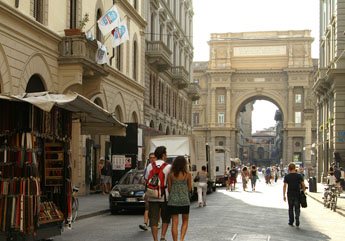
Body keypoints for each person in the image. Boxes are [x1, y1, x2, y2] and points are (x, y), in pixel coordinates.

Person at [144, 146, 172, 241]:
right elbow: (170, 182)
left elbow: (145, 180)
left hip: (152, 196)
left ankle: (155, 239)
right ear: (164, 155)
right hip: (165, 196)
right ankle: (163, 237)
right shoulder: (168, 167)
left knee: (153, 219)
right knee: (166, 218)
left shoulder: (150, 166)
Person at [167, 156, 192, 241]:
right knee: (185, 221)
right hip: (184, 200)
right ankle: (181, 239)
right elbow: (189, 188)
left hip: (173, 200)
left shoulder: (170, 174)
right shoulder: (188, 174)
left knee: (174, 222)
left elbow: (169, 188)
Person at [283, 162, 306, 227]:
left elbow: (284, 186)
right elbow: (303, 185)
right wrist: (303, 191)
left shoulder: (287, 176)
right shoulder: (299, 176)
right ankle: (297, 216)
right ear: (295, 168)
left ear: (289, 168)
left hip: (290, 193)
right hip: (297, 193)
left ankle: (291, 221)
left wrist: (284, 195)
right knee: (297, 207)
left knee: (290, 208)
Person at [139, 153, 157, 231]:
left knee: (157, 208)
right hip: (149, 189)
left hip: (157, 189)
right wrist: (144, 182)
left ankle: (157, 222)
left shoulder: (159, 166)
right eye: (150, 158)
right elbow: (144, 179)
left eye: (153, 158)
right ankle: (145, 223)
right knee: (147, 207)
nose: (152, 159)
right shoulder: (148, 168)